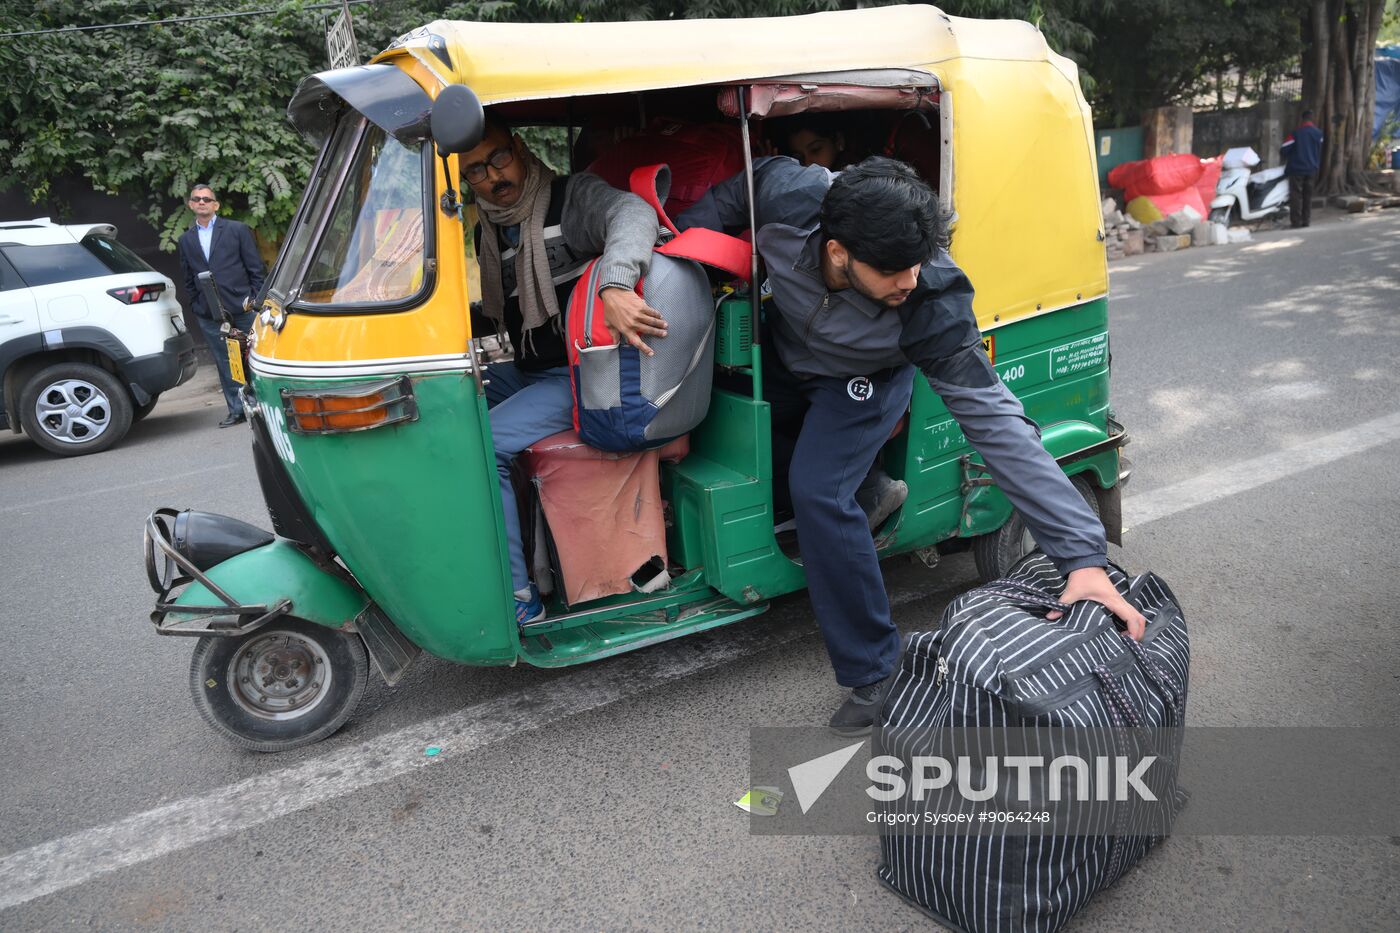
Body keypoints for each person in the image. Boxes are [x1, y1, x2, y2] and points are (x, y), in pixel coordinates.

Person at [679, 156, 1147, 735]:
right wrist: (668, 263)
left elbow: (998, 426)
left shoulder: (932, 300)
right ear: (837, 252)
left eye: (917, 265)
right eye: (893, 269)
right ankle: (873, 487)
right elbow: (722, 204)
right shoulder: (789, 193)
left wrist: (1082, 556)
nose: (909, 279)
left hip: (862, 380)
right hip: (779, 357)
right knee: (724, 440)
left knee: (818, 491)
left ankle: (878, 675)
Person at [463, 112, 665, 625]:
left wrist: (615, 284)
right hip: (531, 367)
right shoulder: (488, 227)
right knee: (449, 402)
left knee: (481, 449)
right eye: (476, 172)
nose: (493, 177)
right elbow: (501, 312)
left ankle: (518, 597)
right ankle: (484, 546)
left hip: (578, 376)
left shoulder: (570, 197)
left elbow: (633, 212)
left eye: (499, 159)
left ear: (520, 149)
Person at [177, 184, 266, 427]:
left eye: (207, 199)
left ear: (215, 205)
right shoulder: (186, 240)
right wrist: (197, 306)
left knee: (254, 357)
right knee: (224, 361)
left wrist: (255, 300)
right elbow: (188, 278)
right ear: (191, 205)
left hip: (243, 307)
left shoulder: (236, 230)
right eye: (197, 199)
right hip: (210, 312)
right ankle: (236, 410)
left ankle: (264, 407)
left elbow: (255, 268)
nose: (202, 202)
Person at [1281, 110, 1324, 229]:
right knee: (1308, 195)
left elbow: (1284, 149)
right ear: (1312, 119)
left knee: (1296, 195)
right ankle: (1306, 221)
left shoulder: (1295, 133)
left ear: (1302, 119)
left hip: (1297, 169)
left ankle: (1296, 222)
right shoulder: (1318, 134)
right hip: (1311, 169)